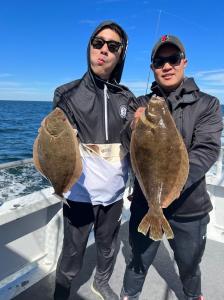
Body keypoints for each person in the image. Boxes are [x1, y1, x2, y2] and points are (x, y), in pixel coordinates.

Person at [120, 34, 223, 300]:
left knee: (189, 266)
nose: (167, 66)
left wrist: (173, 188)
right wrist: (132, 127)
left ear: (184, 62)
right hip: (145, 202)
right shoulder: (139, 105)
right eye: (159, 61)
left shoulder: (208, 104)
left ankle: (192, 295)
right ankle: (129, 295)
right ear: (152, 67)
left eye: (173, 59)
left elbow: (207, 149)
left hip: (190, 208)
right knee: (138, 261)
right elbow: (125, 146)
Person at [52, 21, 135, 300]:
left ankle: (101, 283)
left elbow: (136, 146)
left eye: (113, 46)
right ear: (89, 46)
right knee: (72, 253)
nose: (103, 50)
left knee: (108, 247)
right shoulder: (66, 93)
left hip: (114, 195)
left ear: (120, 54)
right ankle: (61, 292)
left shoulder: (128, 98)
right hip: (79, 193)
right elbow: (58, 143)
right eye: (98, 42)